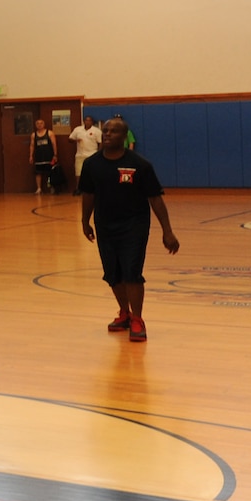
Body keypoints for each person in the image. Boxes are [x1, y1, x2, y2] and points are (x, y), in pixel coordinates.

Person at [79, 117, 180, 343]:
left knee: (132, 272)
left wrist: (168, 231)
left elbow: (155, 198)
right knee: (113, 274)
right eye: (105, 130)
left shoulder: (140, 165)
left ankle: (137, 319)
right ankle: (124, 313)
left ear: (124, 137)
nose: (107, 134)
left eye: (113, 131)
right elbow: (88, 195)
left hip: (134, 225)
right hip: (105, 225)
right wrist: (85, 221)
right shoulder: (91, 165)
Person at [69, 116, 101, 196]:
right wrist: (76, 140)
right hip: (80, 154)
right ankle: (78, 188)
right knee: (78, 172)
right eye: (86, 120)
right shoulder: (77, 129)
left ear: (92, 122)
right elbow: (70, 139)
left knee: (93, 172)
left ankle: (94, 188)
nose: (88, 122)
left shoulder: (96, 131)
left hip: (92, 154)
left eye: (89, 120)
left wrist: (99, 153)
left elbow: (100, 142)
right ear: (84, 121)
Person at [30, 118, 58, 195]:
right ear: (36, 125)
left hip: (49, 156)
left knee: (50, 172)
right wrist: (31, 156)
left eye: (41, 123)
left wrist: (55, 155)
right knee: (38, 173)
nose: (39, 125)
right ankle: (39, 188)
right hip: (39, 156)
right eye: (38, 123)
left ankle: (52, 187)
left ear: (44, 124)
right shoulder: (33, 135)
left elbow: (54, 144)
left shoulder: (50, 133)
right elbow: (32, 145)